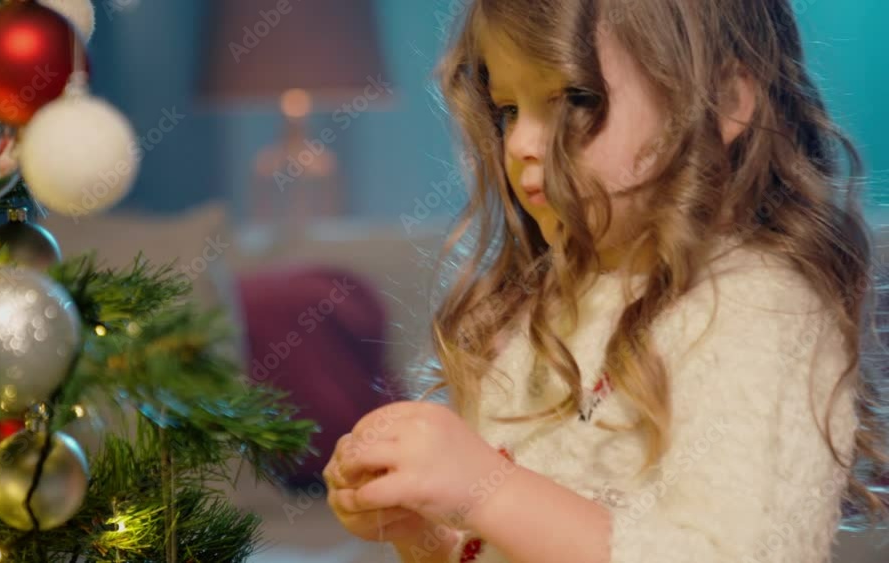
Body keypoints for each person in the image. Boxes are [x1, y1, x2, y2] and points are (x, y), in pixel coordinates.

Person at [323, 1, 889, 562]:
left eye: (574, 98)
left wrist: (487, 488)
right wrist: (420, 528)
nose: (520, 143)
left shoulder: (760, 310)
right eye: (507, 110)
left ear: (725, 101)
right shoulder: (540, 307)